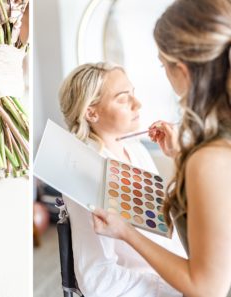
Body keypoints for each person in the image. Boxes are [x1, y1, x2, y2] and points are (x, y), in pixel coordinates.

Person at [90, 0, 231, 296]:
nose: (137, 104)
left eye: (162, 64)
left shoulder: (209, 159)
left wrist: (125, 232)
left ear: (182, 70)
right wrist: (182, 155)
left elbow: (207, 288)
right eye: (122, 97)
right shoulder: (210, 150)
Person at [59, 62, 186, 296]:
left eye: (133, 94)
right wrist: (169, 287)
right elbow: (99, 281)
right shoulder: (88, 173)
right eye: (122, 98)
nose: (138, 104)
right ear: (91, 112)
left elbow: (165, 228)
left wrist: (177, 157)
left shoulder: (135, 149)